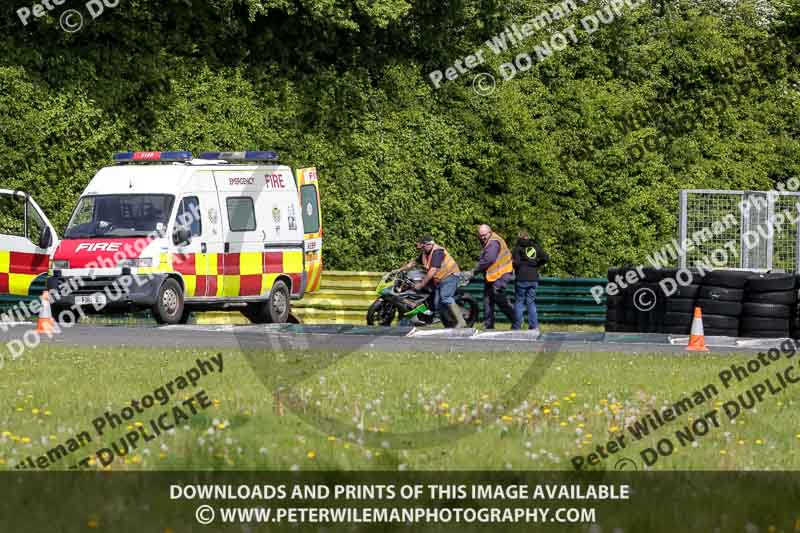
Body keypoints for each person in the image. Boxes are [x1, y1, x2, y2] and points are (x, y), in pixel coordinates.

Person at [399, 235, 466, 328]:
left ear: (428, 244)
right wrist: (399, 270)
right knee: (436, 302)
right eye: (420, 248)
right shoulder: (425, 252)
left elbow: (433, 270)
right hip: (439, 279)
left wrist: (421, 284)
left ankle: (461, 321)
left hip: (450, 276)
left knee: (445, 297)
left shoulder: (437, 252)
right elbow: (413, 263)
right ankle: (439, 321)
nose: (421, 249)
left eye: (423, 247)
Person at [469, 224, 515, 329]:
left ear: (490, 232)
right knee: (487, 299)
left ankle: (516, 319)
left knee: (498, 297)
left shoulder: (493, 242)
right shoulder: (488, 240)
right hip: (492, 275)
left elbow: (488, 260)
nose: (482, 237)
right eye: (480, 235)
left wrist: (474, 270)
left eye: (484, 235)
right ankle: (488, 324)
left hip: (502, 273)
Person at [511, 230, 549, 334]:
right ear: (528, 237)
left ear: (520, 237)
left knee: (519, 302)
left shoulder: (517, 248)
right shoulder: (535, 247)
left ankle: (517, 326)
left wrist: (516, 265)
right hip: (533, 278)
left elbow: (517, 263)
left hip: (521, 278)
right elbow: (546, 258)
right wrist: (537, 264)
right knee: (531, 303)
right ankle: (534, 326)